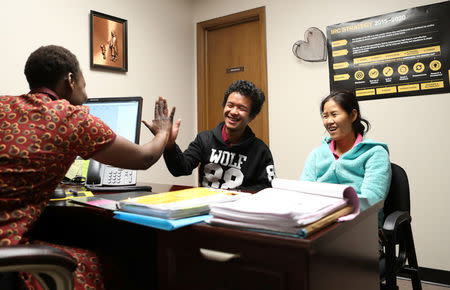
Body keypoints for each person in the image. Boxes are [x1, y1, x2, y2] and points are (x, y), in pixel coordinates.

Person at [0, 45, 174, 289]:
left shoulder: (3, 104)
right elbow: (144, 158)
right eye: (83, 77)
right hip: (6, 261)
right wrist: (164, 131)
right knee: (116, 263)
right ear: (70, 80)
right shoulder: (70, 117)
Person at [145, 80, 275, 191]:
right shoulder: (205, 139)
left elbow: (268, 189)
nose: (233, 112)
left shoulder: (260, 150)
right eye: (230, 105)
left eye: (241, 108)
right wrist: (169, 145)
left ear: (252, 116)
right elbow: (180, 169)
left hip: (239, 214)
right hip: (206, 211)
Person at [300, 91, 391, 219]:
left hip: (362, 223)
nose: (329, 121)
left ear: (353, 115)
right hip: (321, 221)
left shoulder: (375, 153)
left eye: (334, 114)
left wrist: (328, 211)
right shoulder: (316, 155)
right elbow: (304, 193)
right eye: (325, 116)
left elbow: (371, 200)